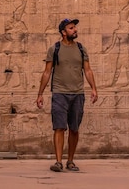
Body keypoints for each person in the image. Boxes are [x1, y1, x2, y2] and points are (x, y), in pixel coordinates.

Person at [36, 18, 98, 172]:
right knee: (59, 127)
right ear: (63, 32)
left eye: (75, 27)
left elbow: (88, 70)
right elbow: (47, 72)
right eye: (71, 28)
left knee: (74, 129)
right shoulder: (54, 49)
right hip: (59, 93)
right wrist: (40, 94)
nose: (75, 30)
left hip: (77, 93)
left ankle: (70, 161)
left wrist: (94, 89)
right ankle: (58, 162)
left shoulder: (81, 49)